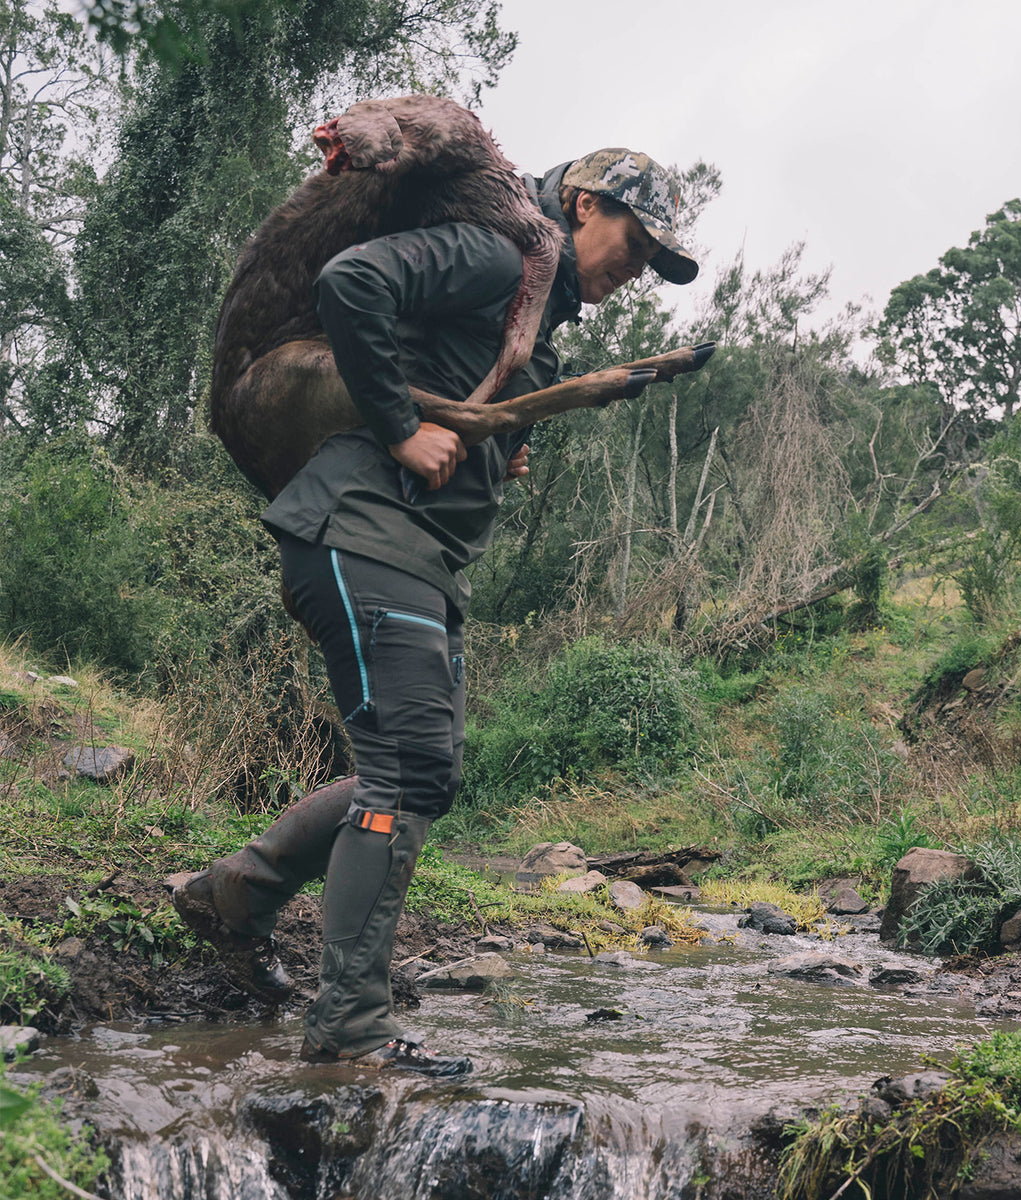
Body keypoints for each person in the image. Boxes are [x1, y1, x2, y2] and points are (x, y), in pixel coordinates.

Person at [170, 148, 699, 1074]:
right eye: (636, 240)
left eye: (656, 259)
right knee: (406, 775)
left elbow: (443, 379)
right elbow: (351, 281)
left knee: (425, 773)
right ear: (583, 205)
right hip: (365, 535)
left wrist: (496, 447)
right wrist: (401, 426)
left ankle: (236, 895)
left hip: (415, 560)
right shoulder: (500, 256)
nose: (638, 266)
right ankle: (349, 1035)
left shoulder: (531, 311)